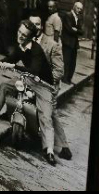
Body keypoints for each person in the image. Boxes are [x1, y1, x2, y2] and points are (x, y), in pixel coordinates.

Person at [0, 21, 59, 164]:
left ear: (31, 37)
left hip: (43, 85)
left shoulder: (36, 50)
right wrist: (1, 62)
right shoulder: (20, 46)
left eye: (24, 35)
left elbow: (33, 70)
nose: (20, 36)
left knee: (45, 116)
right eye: (19, 32)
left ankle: (49, 150)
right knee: (5, 86)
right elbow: (12, 58)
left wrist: (13, 66)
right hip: (29, 79)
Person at [34, 16, 73, 162]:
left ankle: (52, 149)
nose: (36, 28)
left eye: (38, 24)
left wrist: (45, 81)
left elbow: (59, 71)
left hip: (49, 85)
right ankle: (64, 148)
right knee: (52, 114)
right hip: (39, 83)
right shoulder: (31, 41)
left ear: (42, 27)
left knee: (48, 114)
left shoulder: (53, 45)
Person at [60, 2, 84, 85]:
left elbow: (82, 31)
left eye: (80, 9)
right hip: (67, 42)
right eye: (78, 8)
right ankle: (65, 78)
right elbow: (69, 29)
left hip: (74, 43)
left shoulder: (78, 18)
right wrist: (76, 30)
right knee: (67, 61)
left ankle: (69, 79)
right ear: (74, 7)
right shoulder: (68, 15)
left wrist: (76, 30)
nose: (79, 10)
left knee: (73, 62)